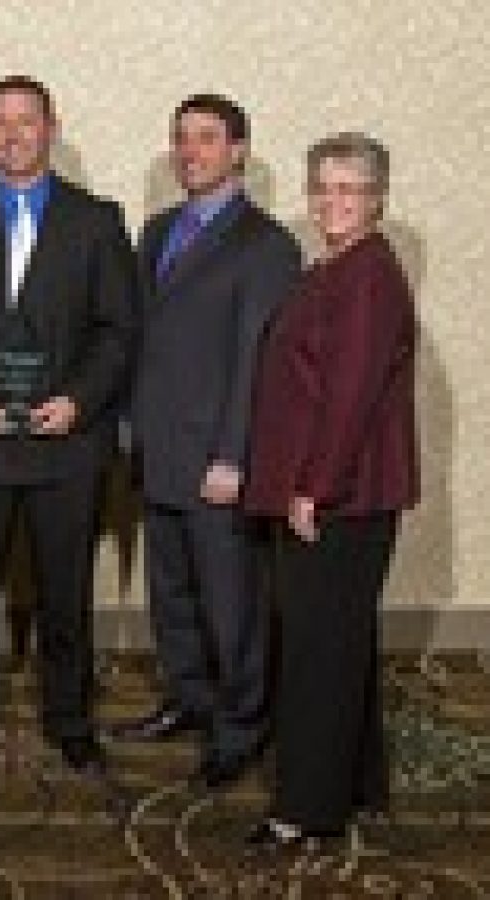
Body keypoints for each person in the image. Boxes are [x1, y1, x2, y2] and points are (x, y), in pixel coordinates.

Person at [0, 75, 137, 779]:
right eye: (0, 122)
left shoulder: (98, 219)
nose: (12, 134)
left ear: (52, 128)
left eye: (26, 122)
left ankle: (71, 721)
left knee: (66, 594)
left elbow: (118, 329)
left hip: (65, 445)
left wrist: (79, 399)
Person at [109, 95, 301, 790]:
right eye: (182, 139)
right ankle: (189, 701)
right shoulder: (157, 231)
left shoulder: (267, 245)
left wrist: (235, 457)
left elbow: (257, 360)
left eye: (209, 139)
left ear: (239, 150)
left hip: (218, 462)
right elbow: (140, 340)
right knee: (175, 597)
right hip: (156, 452)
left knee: (233, 606)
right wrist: (126, 423)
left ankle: (241, 727)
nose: (192, 152)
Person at [244, 133, 419, 849]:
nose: (332, 201)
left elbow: (348, 398)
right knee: (341, 642)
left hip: (341, 496)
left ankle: (307, 809)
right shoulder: (338, 267)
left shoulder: (369, 277)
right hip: (339, 491)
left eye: (349, 190)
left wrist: (314, 489)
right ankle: (356, 781)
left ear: (376, 198)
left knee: (317, 652)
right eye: (323, 187)